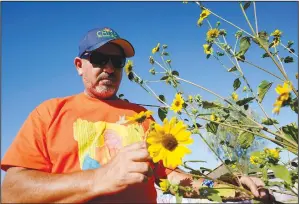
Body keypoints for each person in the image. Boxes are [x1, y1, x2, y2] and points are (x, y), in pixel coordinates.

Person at [1, 27, 272, 203]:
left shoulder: (142, 116)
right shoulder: (50, 112)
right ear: (79, 66)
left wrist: (230, 187)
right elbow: (12, 191)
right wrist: (100, 178)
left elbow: (171, 177)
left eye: (117, 61)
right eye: (98, 59)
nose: (109, 67)